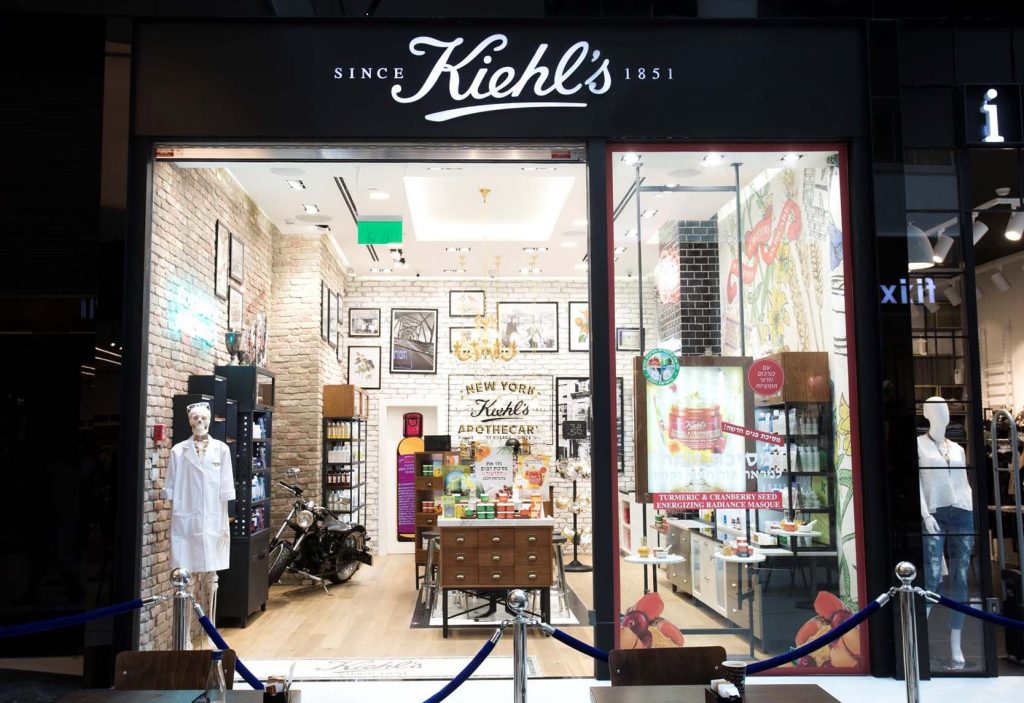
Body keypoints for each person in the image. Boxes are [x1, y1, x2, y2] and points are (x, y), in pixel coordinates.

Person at [918, 396, 973, 669]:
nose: (944, 412)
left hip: (962, 511)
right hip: (935, 512)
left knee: (961, 578)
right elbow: (917, 483)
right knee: (932, 578)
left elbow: (964, 482)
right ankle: (918, 641)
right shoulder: (919, 445)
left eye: (946, 408)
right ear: (926, 414)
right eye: (937, 408)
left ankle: (956, 644)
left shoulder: (958, 449)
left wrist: (971, 508)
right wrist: (925, 514)